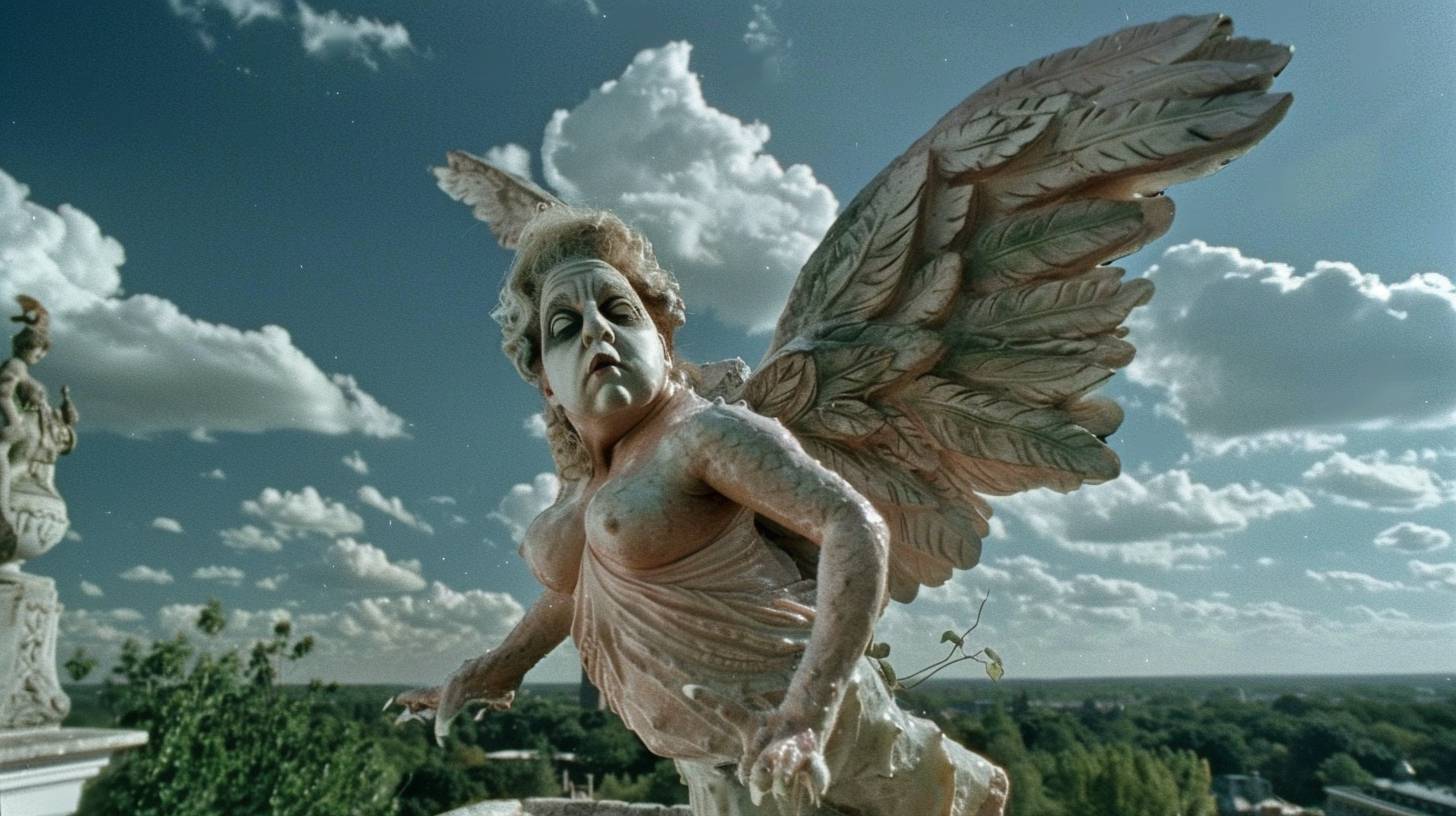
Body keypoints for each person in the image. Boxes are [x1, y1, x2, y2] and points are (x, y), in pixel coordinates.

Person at [393, 206, 1006, 815]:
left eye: (617, 311)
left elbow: (853, 523)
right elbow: (577, 589)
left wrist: (804, 716)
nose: (595, 332)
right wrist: (493, 670)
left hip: (814, 741)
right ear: (547, 381)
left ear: (660, 342)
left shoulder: (703, 435)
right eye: (563, 325)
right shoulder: (589, 481)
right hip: (720, 763)